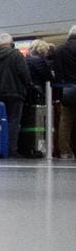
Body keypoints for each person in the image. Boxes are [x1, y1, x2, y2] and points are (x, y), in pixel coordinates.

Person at [0, 34, 32, 154]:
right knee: (13, 122)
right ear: (11, 44)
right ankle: (11, 149)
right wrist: (28, 86)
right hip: (15, 93)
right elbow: (25, 74)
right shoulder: (16, 55)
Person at [51, 25, 76, 159]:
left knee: (65, 122)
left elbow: (57, 71)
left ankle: (65, 151)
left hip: (66, 89)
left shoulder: (60, 50)